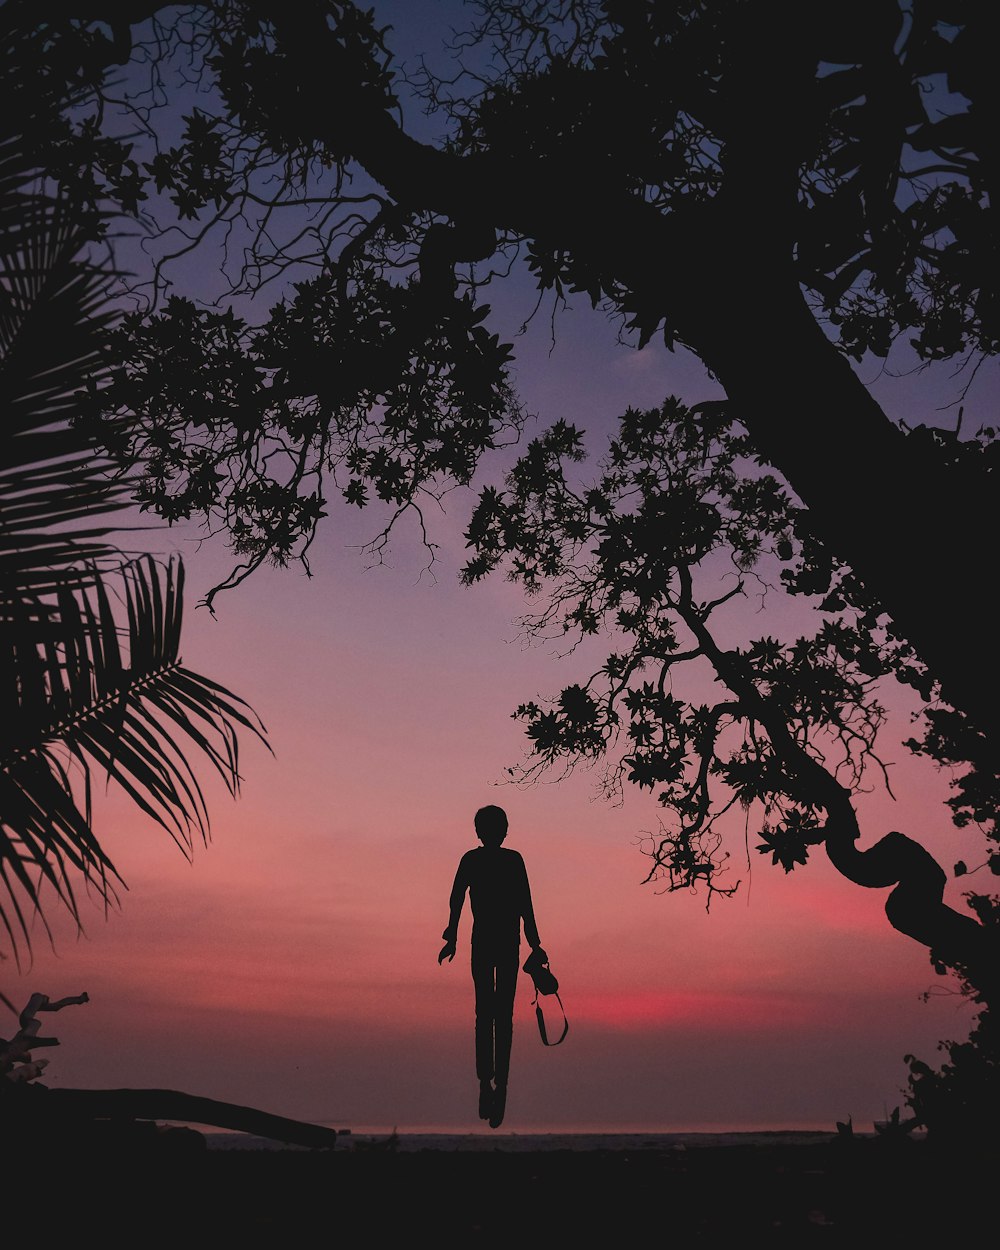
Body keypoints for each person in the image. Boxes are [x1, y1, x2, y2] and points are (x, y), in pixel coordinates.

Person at [438, 805, 546, 1129]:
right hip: (499, 943)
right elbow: (524, 902)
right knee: (499, 1015)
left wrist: (452, 935)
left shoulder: (477, 860)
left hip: (487, 942)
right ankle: (495, 1086)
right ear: (500, 830)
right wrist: (535, 941)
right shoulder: (508, 860)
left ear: (479, 831)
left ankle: (490, 1084)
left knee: (486, 1014)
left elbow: (457, 900)